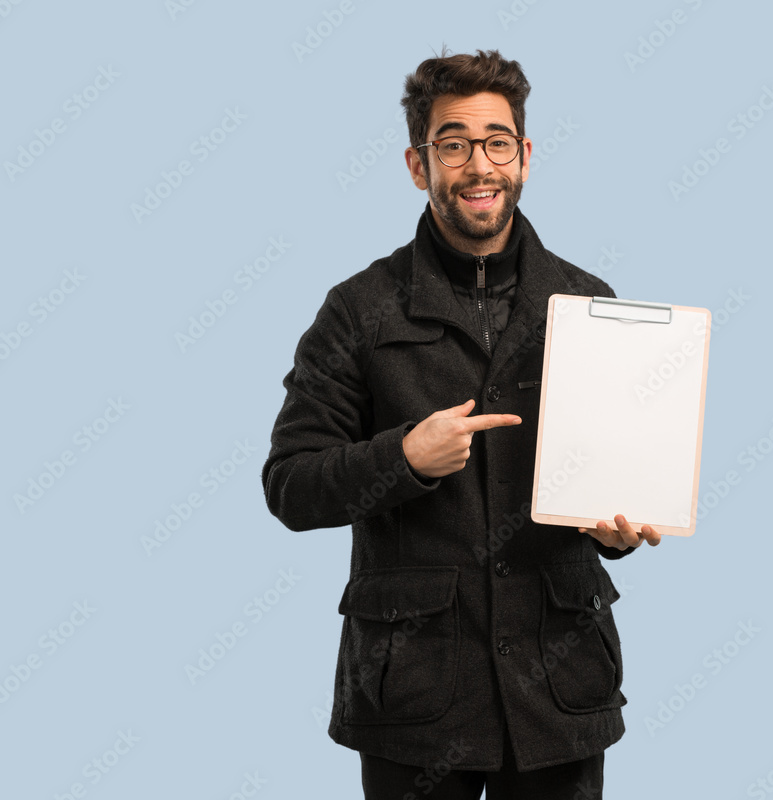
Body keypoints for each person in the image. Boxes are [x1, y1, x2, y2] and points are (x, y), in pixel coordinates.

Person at [261, 48, 661, 800]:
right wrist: (403, 459)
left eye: (496, 142)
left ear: (526, 156)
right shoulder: (358, 309)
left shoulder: (588, 302)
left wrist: (617, 532)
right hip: (416, 696)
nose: (479, 165)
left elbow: (614, 481)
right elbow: (289, 485)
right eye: (453, 144)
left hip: (558, 687)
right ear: (419, 164)